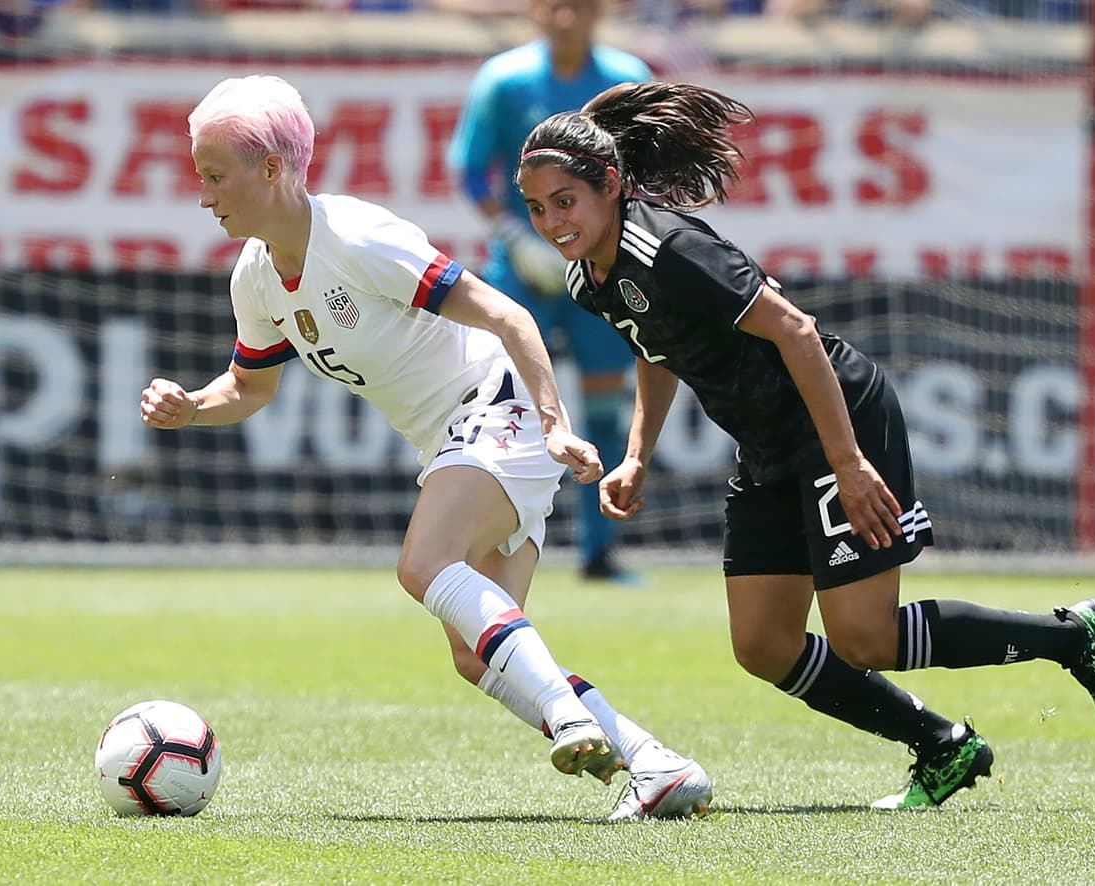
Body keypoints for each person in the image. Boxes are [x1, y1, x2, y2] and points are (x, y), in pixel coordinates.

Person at [515, 81, 1095, 809]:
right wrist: (638, 453)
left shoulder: (672, 248)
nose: (554, 221)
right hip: (768, 445)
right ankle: (942, 745)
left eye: (566, 201)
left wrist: (848, 464)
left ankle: (1074, 639)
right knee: (764, 644)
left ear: (611, 186)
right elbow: (656, 347)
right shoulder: (591, 272)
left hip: (837, 421)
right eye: (538, 208)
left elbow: (797, 331)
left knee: (865, 638)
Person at [138, 74, 710, 822]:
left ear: (272, 169)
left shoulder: (357, 238)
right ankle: (656, 766)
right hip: (459, 439)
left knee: (423, 564)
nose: (205, 195)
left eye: (215, 176)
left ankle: (572, 724)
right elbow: (250, 388)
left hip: (497, 413)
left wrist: (555, 422)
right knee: (476, 656)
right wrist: (190, 408)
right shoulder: (256, 275)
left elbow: (509, 316)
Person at [446, 0, 651, 584]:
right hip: (525, 268)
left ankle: (600, 550)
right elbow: (469, 169)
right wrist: (517, 234)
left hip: (603, 271)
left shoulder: (624, 79)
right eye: (555, 6)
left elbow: (643, 174)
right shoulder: (504, 80)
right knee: (503, 404)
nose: (567, 17)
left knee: (607, 405)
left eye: (580, 6)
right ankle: (484, 547)